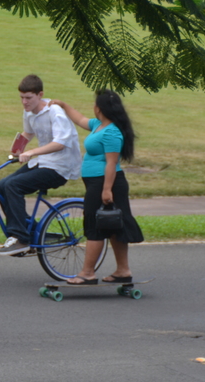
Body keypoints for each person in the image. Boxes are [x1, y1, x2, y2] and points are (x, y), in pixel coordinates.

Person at [49, 90, 144, 284]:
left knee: (94, 225)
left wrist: (107, 189)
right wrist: (64, 105)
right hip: (97, 182)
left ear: (99, 108)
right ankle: (123, 270)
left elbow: (111, 162)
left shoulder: (112, 132)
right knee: (113, 225)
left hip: (106, 183)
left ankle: (87, 273)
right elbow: (81, 119)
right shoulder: (98, 126)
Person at [0, 75, 82, 256]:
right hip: (43, 161)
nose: (24, 102)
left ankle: (21, 239)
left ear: (40, 94)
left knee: (14, 186)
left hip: (60, 167)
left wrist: (31, 152)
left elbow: (60, 143)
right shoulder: (29, 111)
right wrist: (17, 150)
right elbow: (28, 132)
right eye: (21, 98)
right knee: (1, 186)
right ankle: (29, 232)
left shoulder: (55, 112)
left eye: (28, 98)